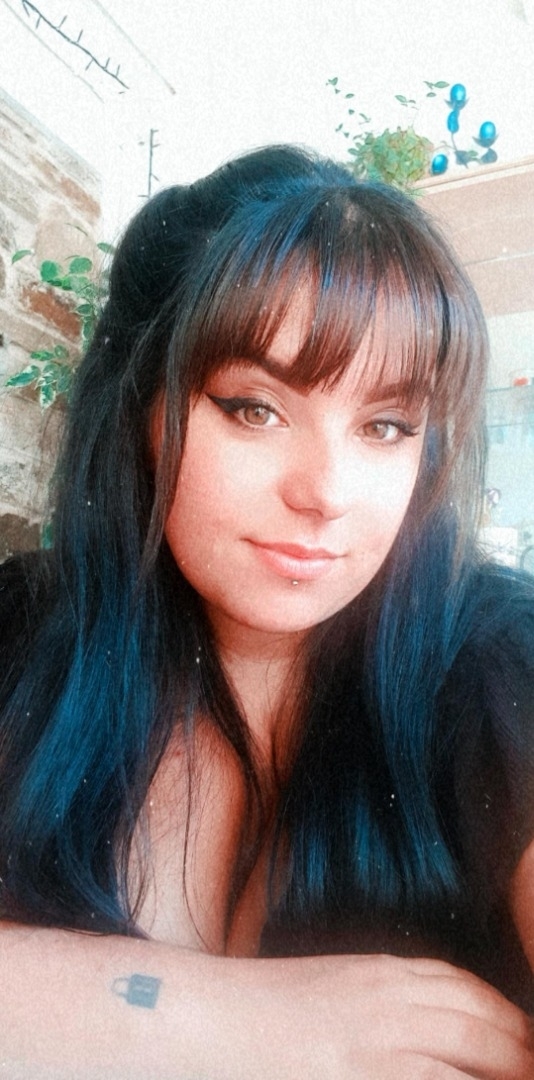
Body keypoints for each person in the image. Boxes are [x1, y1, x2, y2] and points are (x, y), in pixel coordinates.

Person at [0, 143, 533, 1079]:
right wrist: (239, 1023)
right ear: (141, 406)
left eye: (385, 426)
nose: (326, 492)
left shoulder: (497, 662)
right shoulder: (22, 631)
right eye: (255, 408)